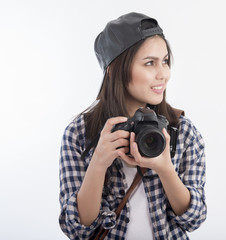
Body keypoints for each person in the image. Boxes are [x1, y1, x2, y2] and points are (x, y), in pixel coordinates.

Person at [59, 12, 207, 239]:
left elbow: (194, 219)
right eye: (150, 63)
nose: (163, 74)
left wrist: (166, 169)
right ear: (114, 69)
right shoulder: (79, 133)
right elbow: (77, 229)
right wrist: (98, 162)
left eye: (165, 61)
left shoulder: (182, 131)